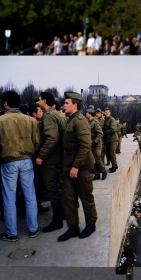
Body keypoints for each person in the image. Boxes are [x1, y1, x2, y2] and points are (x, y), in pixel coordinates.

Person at [0, 90, 40, 242]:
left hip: (8, 162)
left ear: (5, 103)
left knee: (9, 198)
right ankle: (33, 228)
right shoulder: (30, 121)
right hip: (27, 160)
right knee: (30, 196)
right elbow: (37, 142)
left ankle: (12, 233)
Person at [58, 92, 97, 241]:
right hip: (68, 165)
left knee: (86, 197)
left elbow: (85, 146)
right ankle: (73, 227)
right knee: (68, 198)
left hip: (81, 167)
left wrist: (76, 166)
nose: (64, 105)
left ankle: (91, 225)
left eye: (67, 103)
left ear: (75, 105)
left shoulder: (80, 121)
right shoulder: (70, 120)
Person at [35, 91, 67, 233]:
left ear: (45, 101)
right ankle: (63, 214)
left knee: (52, 189)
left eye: (40, 99)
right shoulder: (58, 114)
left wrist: (41, 155)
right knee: (59, 187)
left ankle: (57, 220)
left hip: (52, 159)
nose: (38, 101)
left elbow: (52, 138)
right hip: (59, 157)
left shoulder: (48, 116)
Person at [85, 106, 106, 181]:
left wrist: (95, 142)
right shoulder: (87, 122)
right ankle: (96, 174)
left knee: (97, 157)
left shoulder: (95, 122)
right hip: (90, 143)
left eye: (87, 113)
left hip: (97, 143)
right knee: (91, 159)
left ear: (90, 114)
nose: (86, 114)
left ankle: (103, 171)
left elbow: (100, 133)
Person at [102, 107, 118, 172]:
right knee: (108, 154)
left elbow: (113, 129)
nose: (106, 113)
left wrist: (105, 132)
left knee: (112, 153)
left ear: (110, 113)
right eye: (105, 112)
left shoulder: (112, 120)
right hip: (108, 140)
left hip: (112, 139)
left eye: (108, 112)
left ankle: (114, 166)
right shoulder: (105, 120)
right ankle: (114, 165)